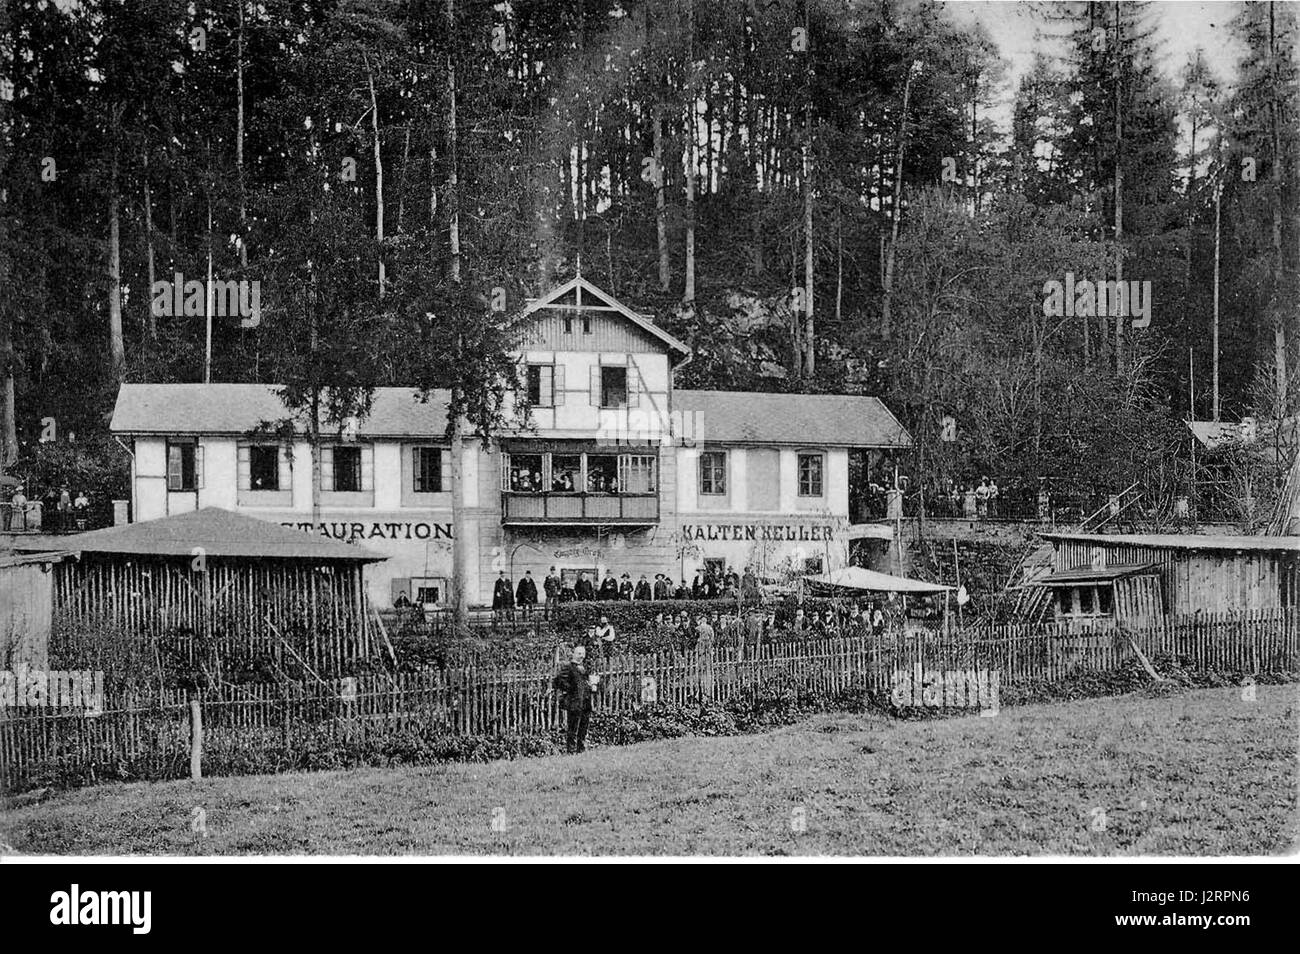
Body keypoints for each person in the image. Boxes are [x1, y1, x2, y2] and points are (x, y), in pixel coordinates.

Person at [553, 645, 595, 754]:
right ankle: (571, 751)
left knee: (583, 727)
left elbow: (585, 682)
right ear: (574, 654)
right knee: (573, 728)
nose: (581, 656)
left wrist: (590, 686)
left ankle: (581, 749)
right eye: (579, 653)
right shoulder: (568, 667)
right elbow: (558, 681)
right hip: (575, 702)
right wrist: (571, 689)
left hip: (585, 702)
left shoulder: (584, 667)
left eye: (583, 654)